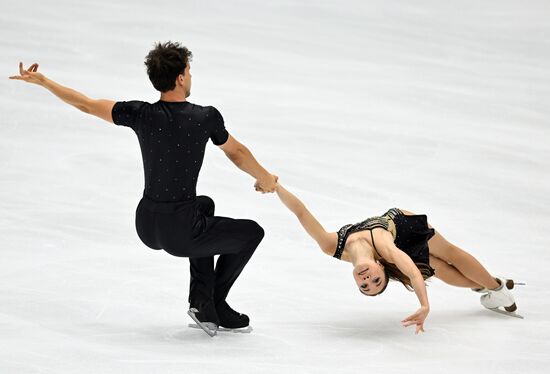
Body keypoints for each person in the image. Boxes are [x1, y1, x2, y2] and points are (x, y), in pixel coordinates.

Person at [9, 41, 278, 337]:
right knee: (252, 232)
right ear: (179, 78)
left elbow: (86, 104)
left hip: (147, 223)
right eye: (188, 71)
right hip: (180, 231)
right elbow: (236, 152)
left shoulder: (141, 114)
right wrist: (265, 178)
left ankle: (202, 303)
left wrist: (44, 81)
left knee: (204, 205)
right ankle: (216, 301)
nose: (190, 77)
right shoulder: (205, 117)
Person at [268, 182, 519, 334]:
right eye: (376, 283)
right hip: (399, 232)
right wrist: (424, 305)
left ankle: (493, 285)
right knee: (439, 266)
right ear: (380, 267)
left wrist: (275, 186)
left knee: (446, 255)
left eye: (364, 286)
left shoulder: (330, 246)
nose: (367, 280)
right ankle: (494, 286)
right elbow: (410, 270)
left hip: (401, 225)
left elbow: (301, 212)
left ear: (355, 279)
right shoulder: (386, 249)